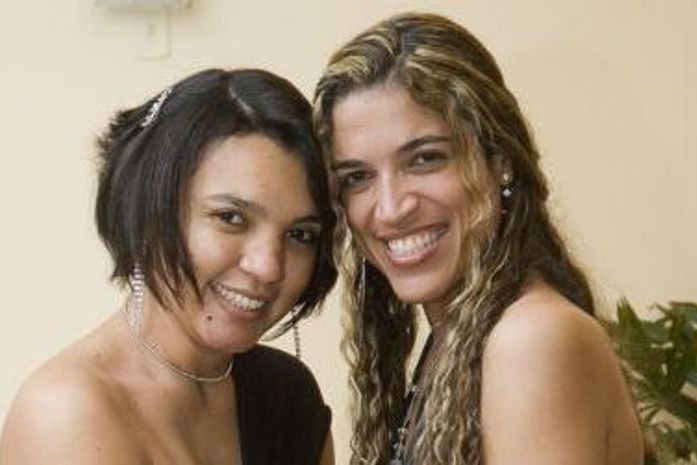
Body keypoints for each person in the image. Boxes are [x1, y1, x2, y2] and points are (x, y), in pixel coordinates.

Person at [313, 12, 644, 465]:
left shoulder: (531, 340)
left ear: (500, 160)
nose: (390, 209)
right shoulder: (461, 340)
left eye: (425, 159)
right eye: (357, 177)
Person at [1, 68, 336, 465]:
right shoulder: (66, 413)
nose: (268, 267)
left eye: (299, 235)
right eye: (231, 218)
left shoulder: (288, 393)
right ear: (149, 209)